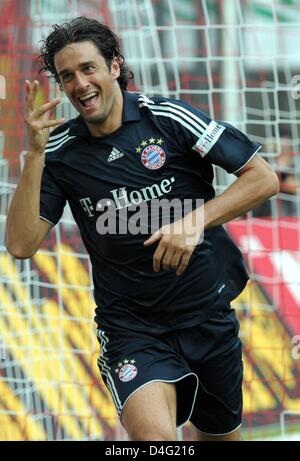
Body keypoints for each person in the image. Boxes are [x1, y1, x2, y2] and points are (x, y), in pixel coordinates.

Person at [6, 17, 279, 441]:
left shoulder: (167, 118)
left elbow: (262, 178)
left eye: (88, 68)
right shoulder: (61, 153)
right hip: (132, 329)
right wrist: (35, 154)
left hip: (207, 314)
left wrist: (194, 222)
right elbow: (21, 245)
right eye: (67, 76)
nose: (79, 84)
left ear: (114, 66)